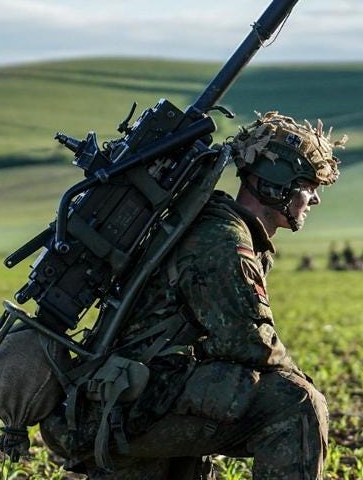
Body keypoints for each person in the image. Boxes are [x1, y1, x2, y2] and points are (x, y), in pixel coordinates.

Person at [40, 112, 345, 479]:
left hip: (125, 399)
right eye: (309, 186)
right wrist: (302, 378)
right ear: (277, 185)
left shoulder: (211, 224)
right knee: (297, 403)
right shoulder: (223, 241)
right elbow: (249, 344)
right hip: (130, 407)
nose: (314, 200)